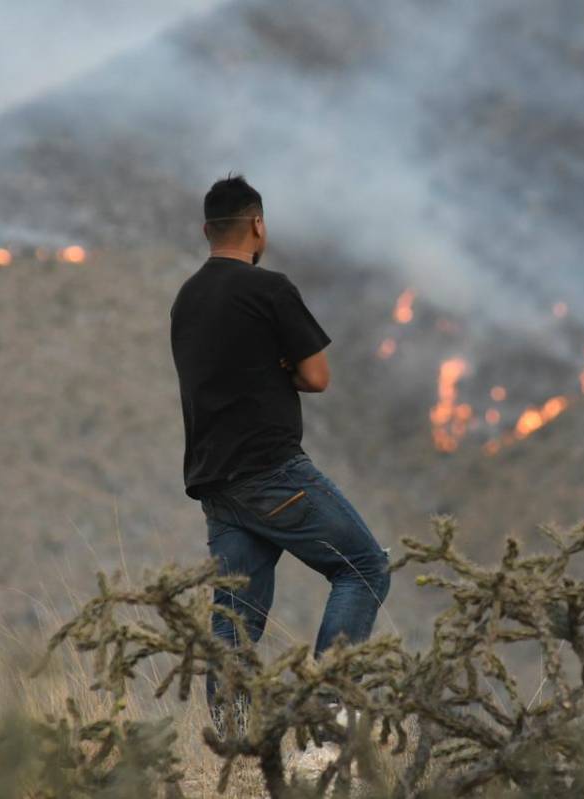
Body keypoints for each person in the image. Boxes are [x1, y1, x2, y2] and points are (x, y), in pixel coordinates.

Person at [169, 174, 391, 723]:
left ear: (206, 230)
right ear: (258, 225)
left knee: (235, 620)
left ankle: (233, 745)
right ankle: (330, 713)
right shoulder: (269, 289)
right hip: (271, 472)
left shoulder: (187, 299)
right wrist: (282, 369)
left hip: (214, 482)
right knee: (364, 566)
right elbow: (317, 376)